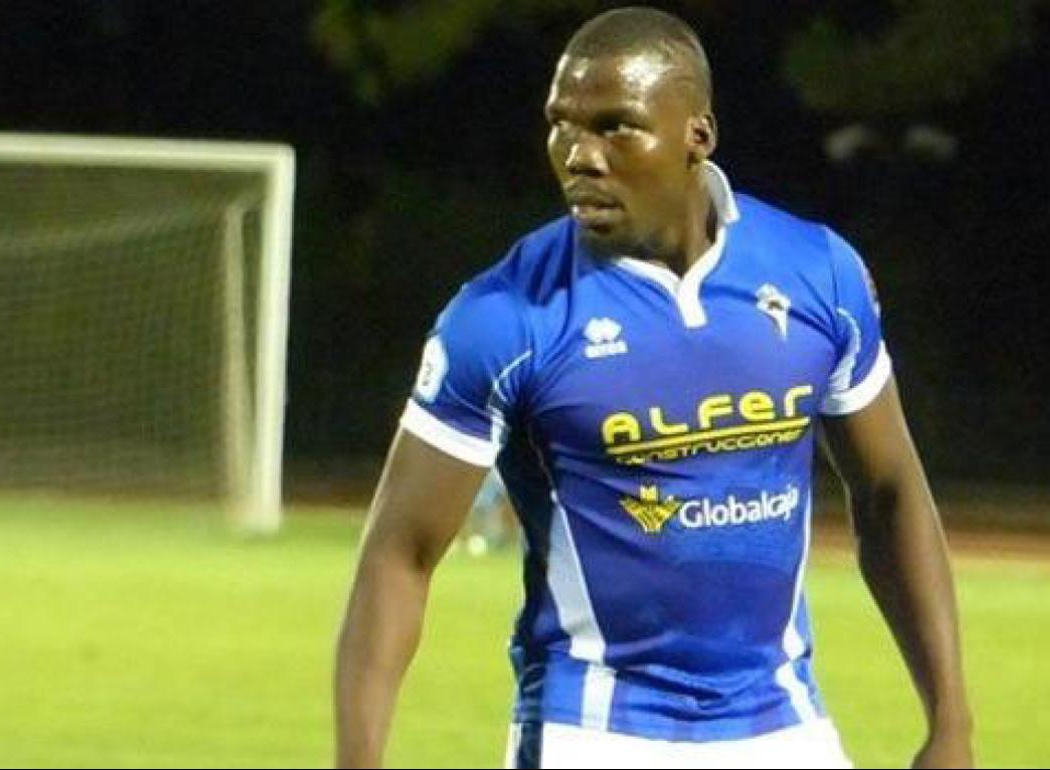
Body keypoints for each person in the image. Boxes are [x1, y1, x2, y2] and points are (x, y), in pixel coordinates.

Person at [334, 7, 972, 769]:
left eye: (615, 127)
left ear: (696, 135)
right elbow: (398, 555)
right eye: (561, 125)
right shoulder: (504, 319)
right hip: (592, 731)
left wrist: (951, 724)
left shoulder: (818, 275)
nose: (579, 155)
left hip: (783, 723)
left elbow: (891, 489)